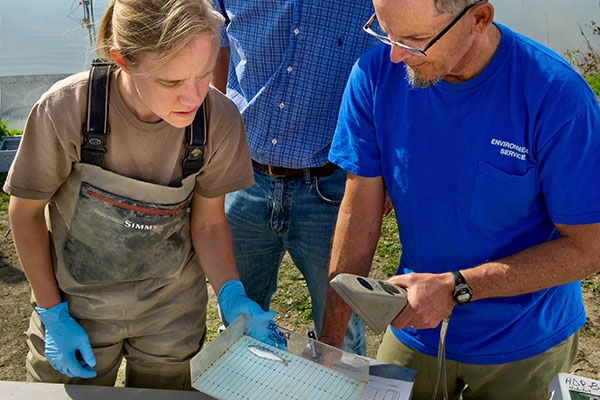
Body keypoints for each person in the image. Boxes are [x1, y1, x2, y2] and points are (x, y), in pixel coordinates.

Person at [319, 0, 600, 398]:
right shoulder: (374, 75)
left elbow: (590, 248)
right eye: (385, 32)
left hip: (525, 339)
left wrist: (457, 288)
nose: (395, 54)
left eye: (415, 40)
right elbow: (358, 212)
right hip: (416, 325)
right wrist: (331, 339)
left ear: (479, 19)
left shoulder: (557, 97)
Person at [4, 0, 285, 390]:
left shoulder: (218, 119)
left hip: (171, 312)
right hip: (76, 306)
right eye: (170, 82)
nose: (193, 98)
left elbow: (208, 222)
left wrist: (231, 292)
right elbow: (25, 214)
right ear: (123, 59)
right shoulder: (67, 109)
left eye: (203, 75)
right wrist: (52, 312)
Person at [209, 1, 380, 355]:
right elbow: (215, 43)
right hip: (242, 177)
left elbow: (405, 68)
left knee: (342, 333)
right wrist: (213, 126)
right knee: (237, 323)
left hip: (333, 186)